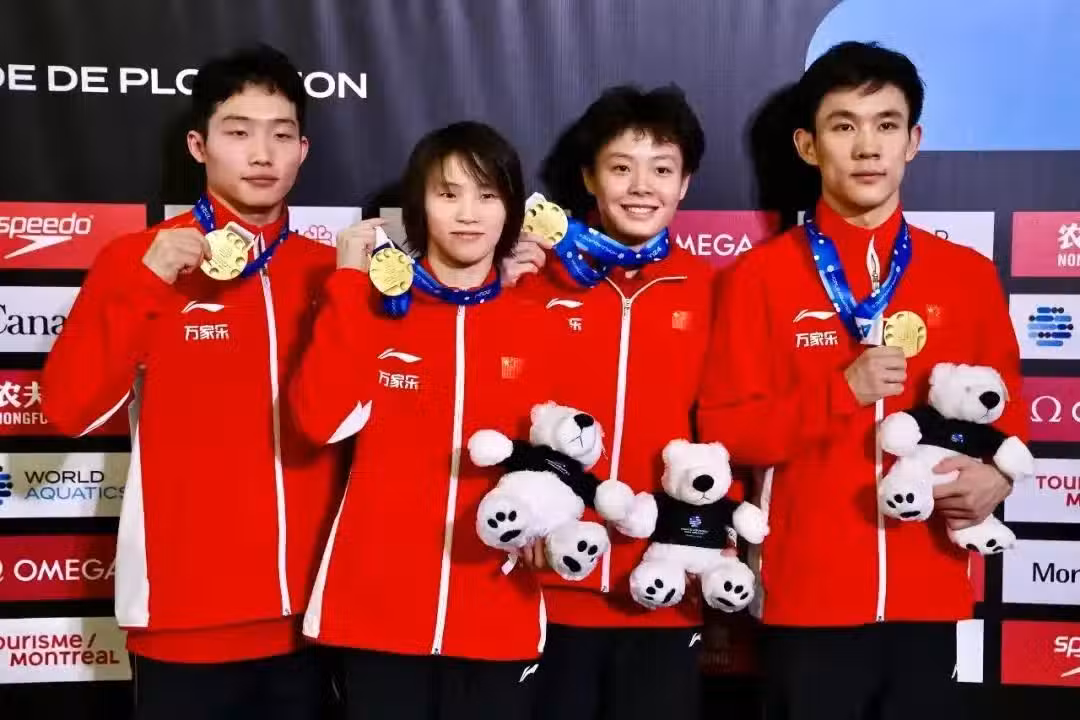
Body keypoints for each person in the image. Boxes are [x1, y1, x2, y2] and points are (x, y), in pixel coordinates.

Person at [697, 41, 1026, 719]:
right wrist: (839, 393)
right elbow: (727, 431)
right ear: (808, 146)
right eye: (844, 125)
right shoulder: (758, 279)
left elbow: (1007, 418)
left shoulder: (966, 276)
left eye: (886, 125)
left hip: (928, 592)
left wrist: (999, 475)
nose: (867, 147)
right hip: (807, 598)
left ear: (913, 142)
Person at [42, 45, 342, 720]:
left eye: (281, 134)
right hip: (183, 621)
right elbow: (68, 409)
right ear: (199, 146)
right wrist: (148, 286)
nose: (262, 154)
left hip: (314, 619)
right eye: (238, 132)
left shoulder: (333, 272)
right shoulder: (136, 260)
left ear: (303, 150)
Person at [289, 121, 565, 720]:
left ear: (511, 209)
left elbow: (568, 455)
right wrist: (347, 283)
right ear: (418, 205)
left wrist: (557, 523)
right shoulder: (374, 310)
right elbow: (318, 420)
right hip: (376, 616)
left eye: (487, 195)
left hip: (497, 611)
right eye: (448, 193)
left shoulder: (537, 321)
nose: (468, 213)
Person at [505, 85, 721, 720]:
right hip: (548, 577)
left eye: (662, 169)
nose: (641, 187)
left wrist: (714, 536)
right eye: (621, 167)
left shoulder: (709, 289)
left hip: (663, 580)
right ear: (589, 178)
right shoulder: (533, 282)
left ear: (685, 183)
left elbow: (724, 428)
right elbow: (498, 409)